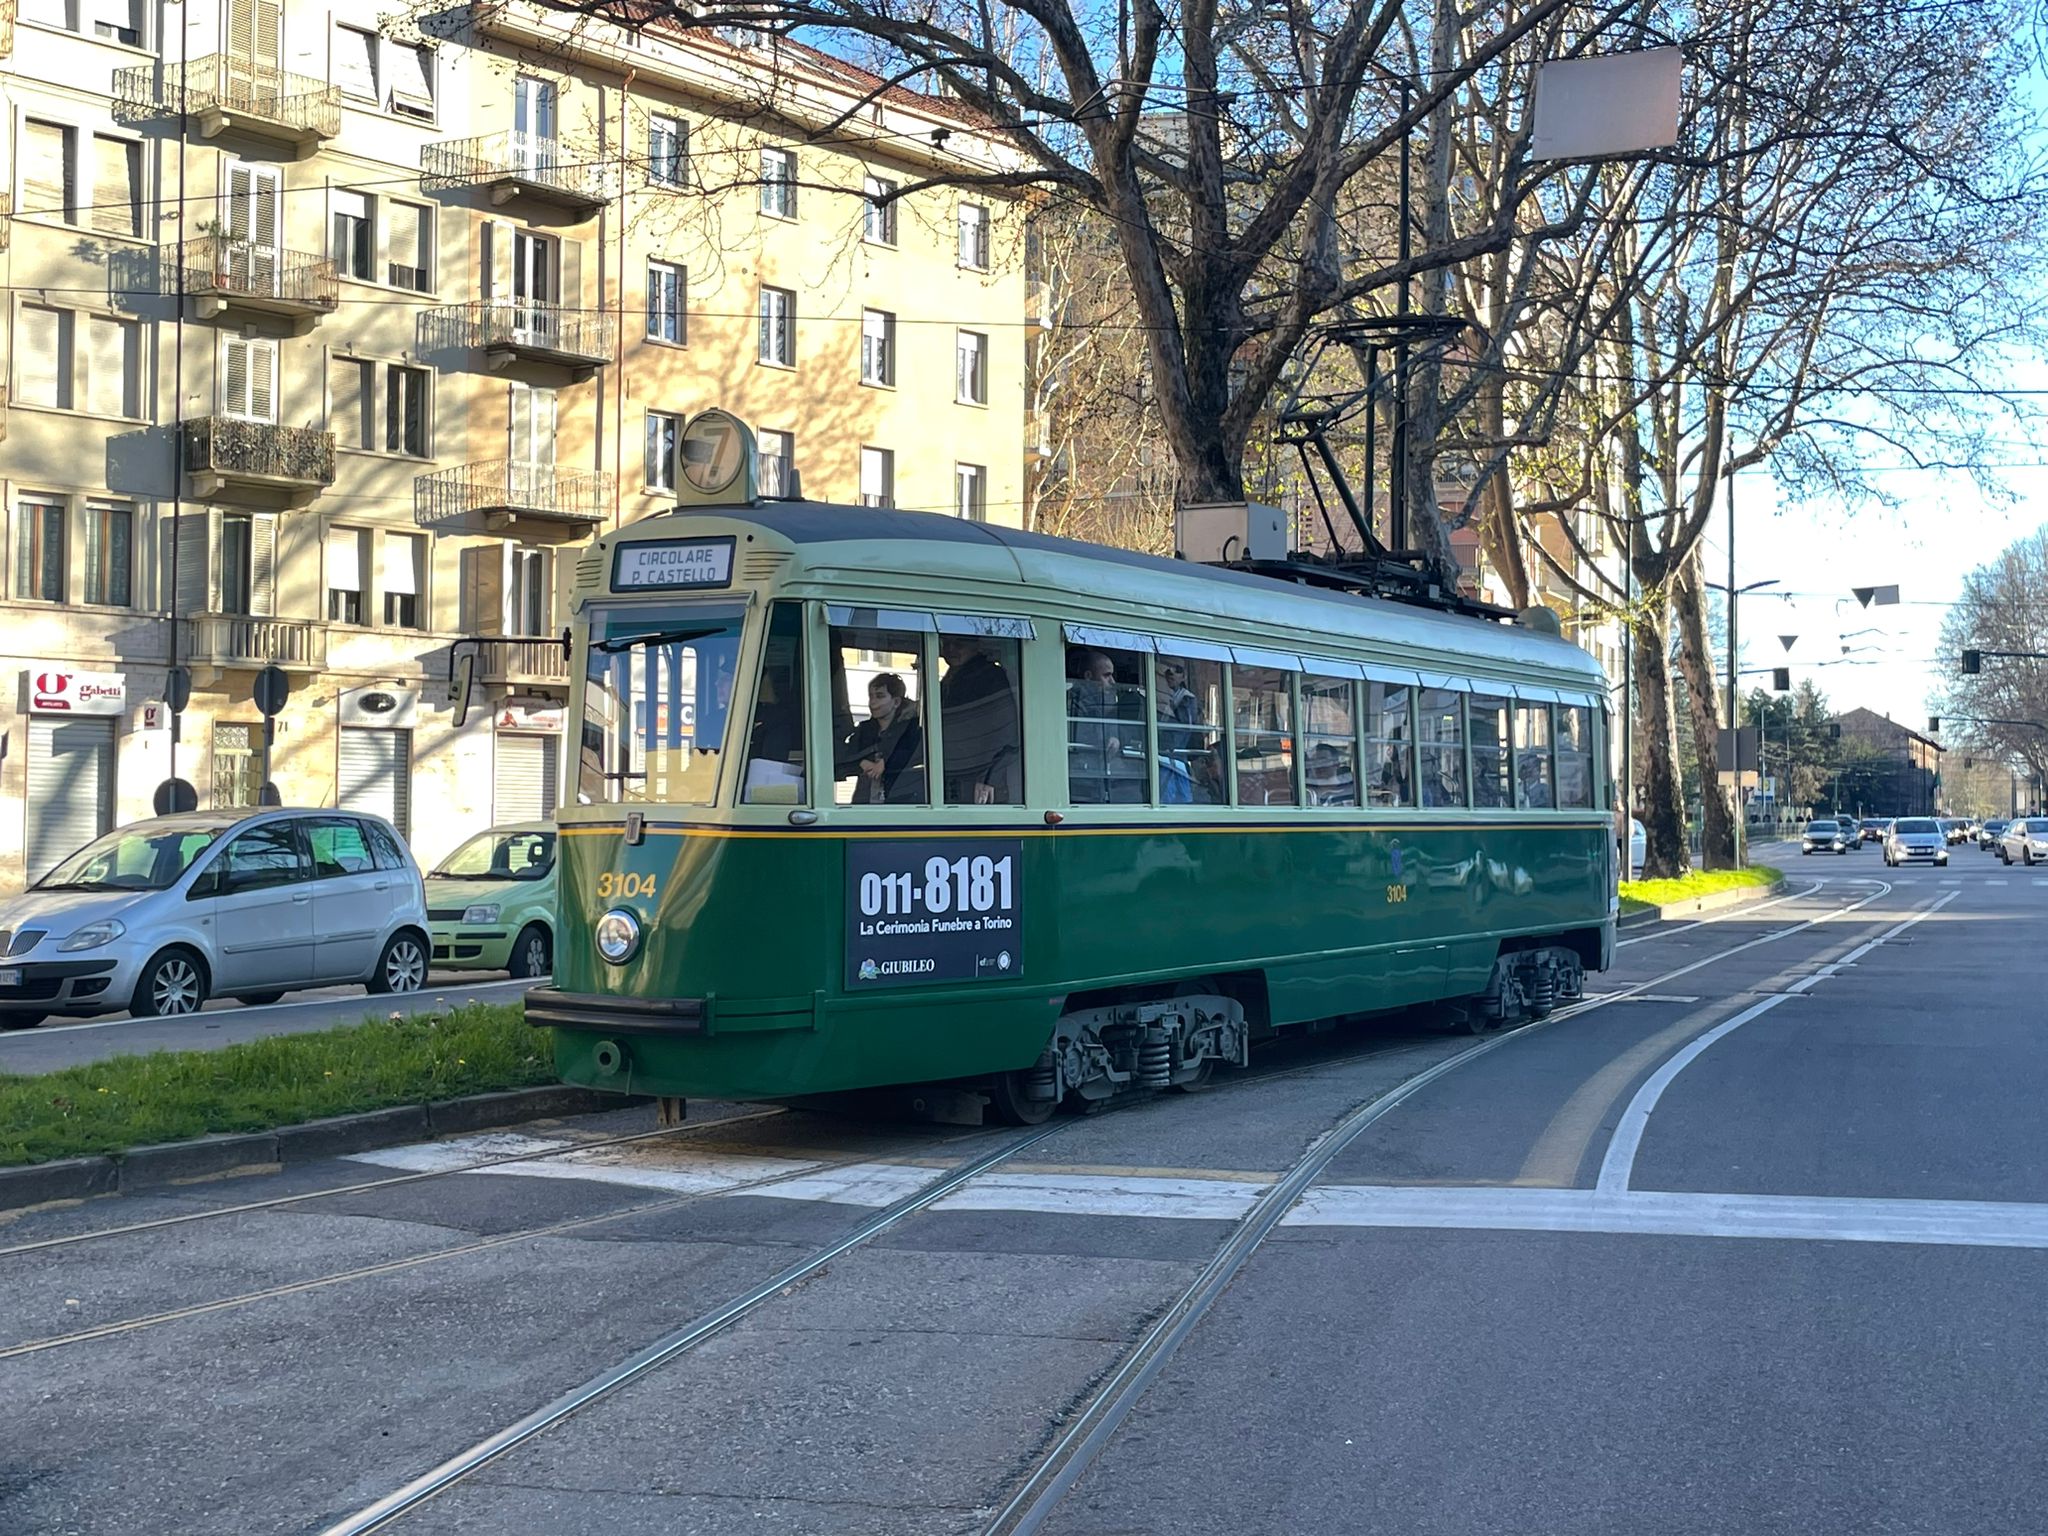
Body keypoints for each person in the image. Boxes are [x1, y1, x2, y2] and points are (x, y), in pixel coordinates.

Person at [939, 635, 1020, 804]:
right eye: (946, 644)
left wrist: (989, 777)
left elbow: (1006, 731)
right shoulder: (953, 678)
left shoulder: (989, 677)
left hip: (977, 778)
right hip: (957, 771)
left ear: (976, 645)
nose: (951, 649)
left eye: (958, 643)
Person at [837, 673, 923, 804]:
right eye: (870, 696)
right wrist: (861, 763)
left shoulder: (912, 730)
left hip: (902, 803)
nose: (873, 702)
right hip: (864, 803)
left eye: (880, 696)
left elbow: (918, 755)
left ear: (896, 702)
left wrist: (888, 763)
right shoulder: (864, 730)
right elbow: (845, 755)